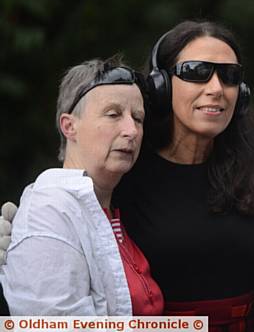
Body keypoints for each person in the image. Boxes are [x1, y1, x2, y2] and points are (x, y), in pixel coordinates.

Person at [113, 21, 254, 331]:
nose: (215, 88)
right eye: (197, 71)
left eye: (229, 76)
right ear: (160, 85)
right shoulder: (122, 175)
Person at [0, 58, 164, 315]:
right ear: (69, 126)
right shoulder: (49, 211)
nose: (131, 130)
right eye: (113, 114)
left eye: (138, 118)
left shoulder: (117, 208)